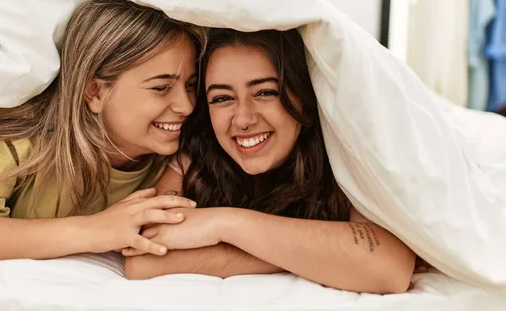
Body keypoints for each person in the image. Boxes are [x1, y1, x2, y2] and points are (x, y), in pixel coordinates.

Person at [125, 29, 416, 294]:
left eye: (265, 92)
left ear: (304, 96)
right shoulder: (198, 158)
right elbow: (144, 260)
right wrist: (317, 256)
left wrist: (225, 224)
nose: (243, 119)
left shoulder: (341, 159)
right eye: (222, 98)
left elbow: (390, 268)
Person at [0, 0, 207, 262]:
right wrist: (94, 230)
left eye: (191, 85)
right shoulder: (17, 144)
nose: (186, 105)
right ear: (95, 92)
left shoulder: (180, 160)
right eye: (161, 88)